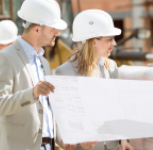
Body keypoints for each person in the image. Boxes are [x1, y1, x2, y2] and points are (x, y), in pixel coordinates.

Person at [0, 0, 78, 149]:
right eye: (52, 29)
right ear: (37, 30)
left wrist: (63, 136)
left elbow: (47, 109)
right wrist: (32, 93)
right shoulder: (4, 58)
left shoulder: (44, 63)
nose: (57, 33)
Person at [55, 9, 134, 150]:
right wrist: (77, 140)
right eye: (109, 39)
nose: (114, 43)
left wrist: (123, 139)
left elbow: (117, 107)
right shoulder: (65, 71)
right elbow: (61, 117)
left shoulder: (112, 67)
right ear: (92, 42)